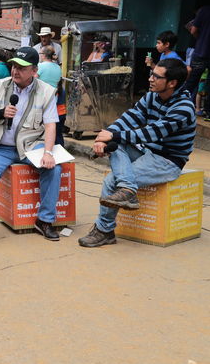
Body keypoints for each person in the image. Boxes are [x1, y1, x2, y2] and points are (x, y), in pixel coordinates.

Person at [78, 58, 195, 248]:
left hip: (167, 161)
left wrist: (113, 135)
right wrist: (104, 137)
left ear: (172, 83)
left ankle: (105, 230)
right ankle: (128, 189)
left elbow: (151, 132)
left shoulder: (184, 108)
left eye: (157, 76)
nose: (150, 79)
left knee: (111, 180)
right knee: (115, 143)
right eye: (152, 74)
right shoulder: (151, 96)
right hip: (148, 152)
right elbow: (129, 118)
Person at [0, 47, 62, 242]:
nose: (15, 71)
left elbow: (50, 125)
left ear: (34, 71)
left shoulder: (46, 92)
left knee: (54, 169)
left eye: (21, 67)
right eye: (13, 66)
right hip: (1, 147)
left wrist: (47, 152)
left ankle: (44, 221)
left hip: (31, 146)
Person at [183, 5, 210, 114]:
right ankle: (208, 112)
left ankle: (178, 106)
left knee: (191, 82)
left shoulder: (205, 10)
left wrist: (201, 40)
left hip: (201, 51)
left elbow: (193, 30)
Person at [37, 46, 64, 146]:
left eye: (40, 54)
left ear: (43, 55)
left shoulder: (40, 66)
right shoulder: (57, 67)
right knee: (51, 123)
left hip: (41, 98)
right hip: (54, 98)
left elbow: (33, 79)